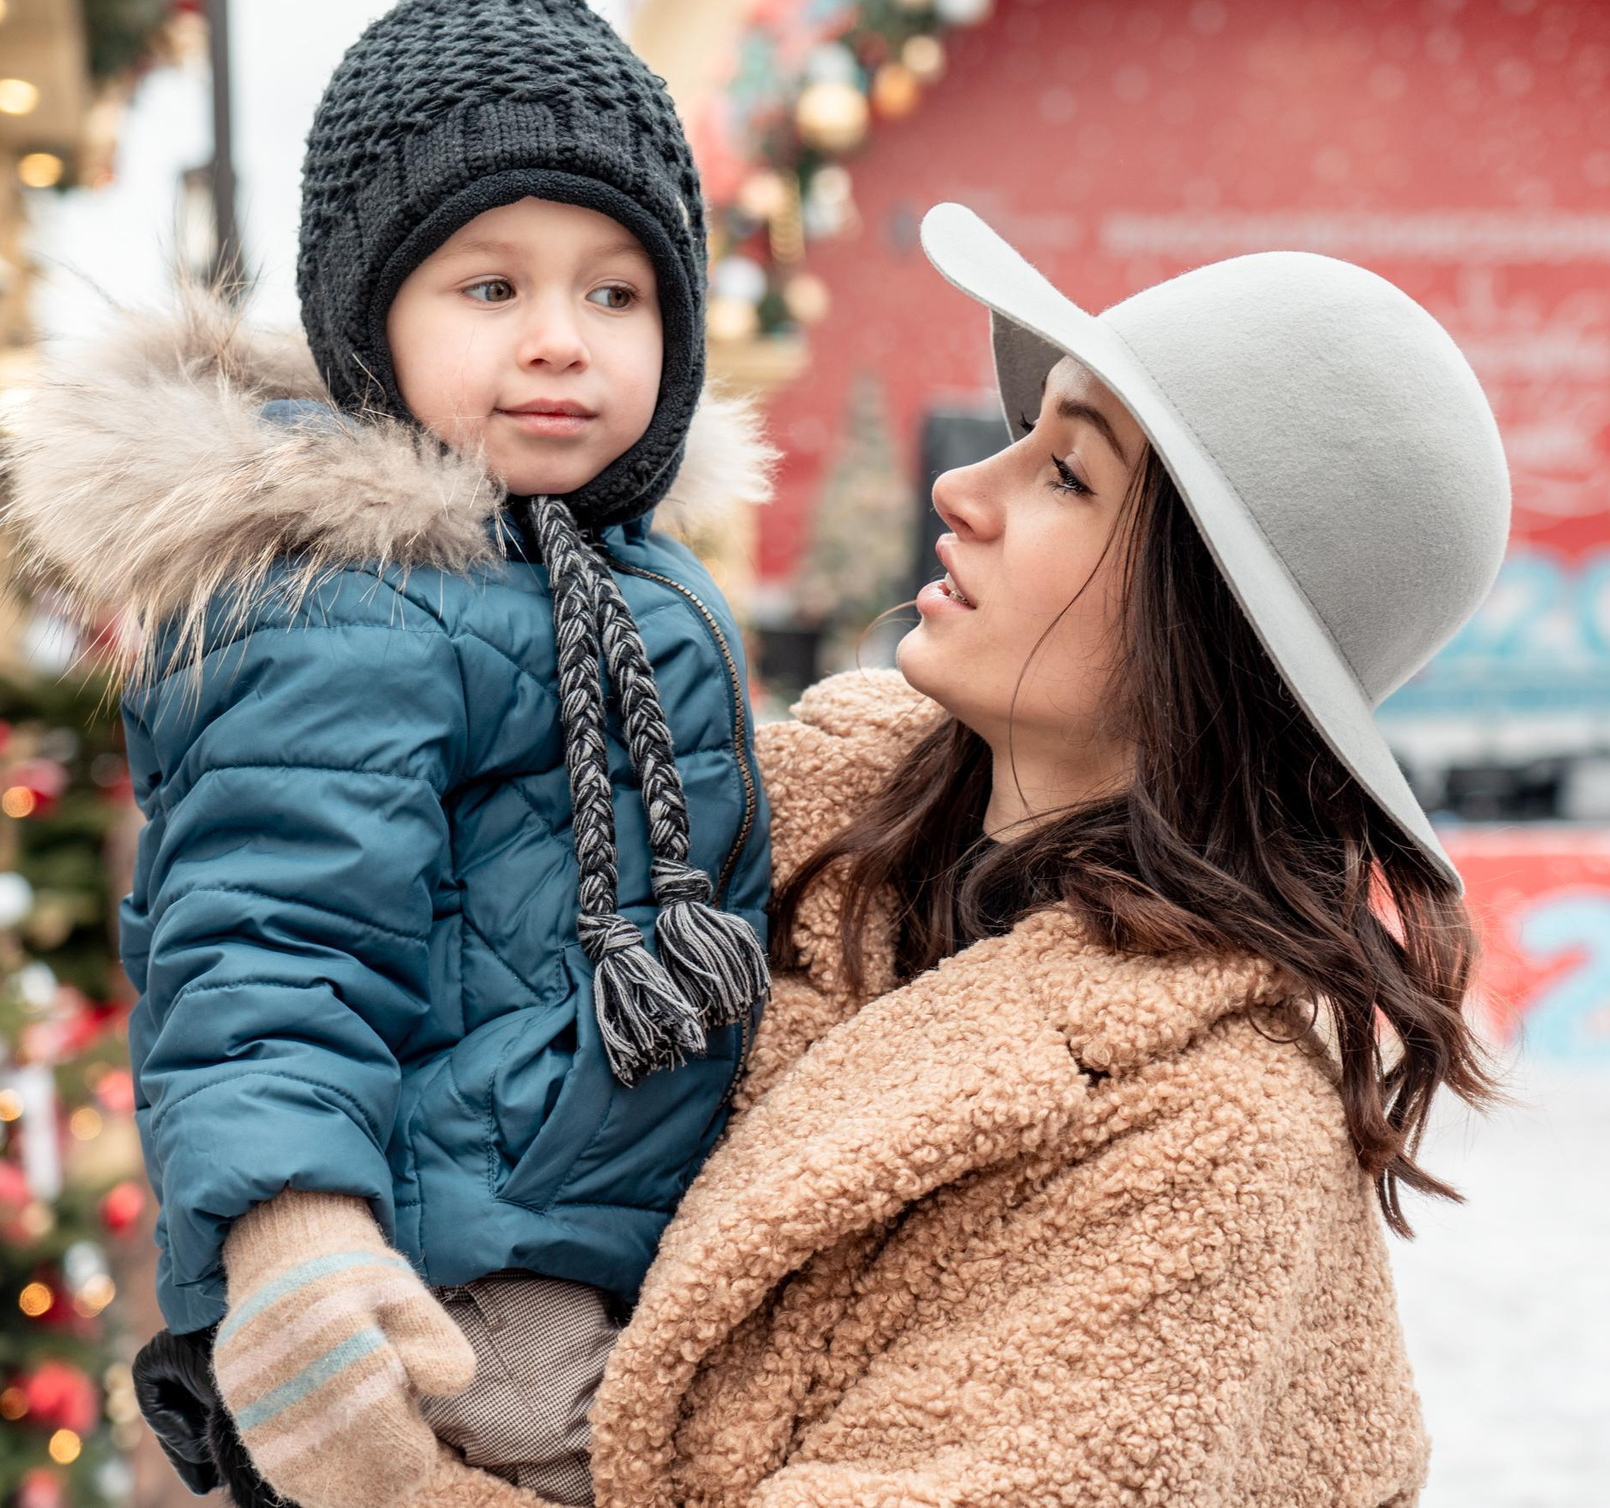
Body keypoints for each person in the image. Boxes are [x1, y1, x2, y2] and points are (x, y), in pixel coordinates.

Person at [394, 199, 1511, 1507]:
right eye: (1023, 437)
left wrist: (368, 1464)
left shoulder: (1207, 1140)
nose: (961, 488)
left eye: (1069, 476)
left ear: (1204, 622)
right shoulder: (775, 813)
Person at [0, 0, 776, 1508]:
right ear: (373, 322)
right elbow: (267, 947)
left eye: (616, 291)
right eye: (491, 286)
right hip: (461, 1283)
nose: (561, 337)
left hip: (613, 1228)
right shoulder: (347, 606)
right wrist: (295, 1241)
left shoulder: (620, 576)